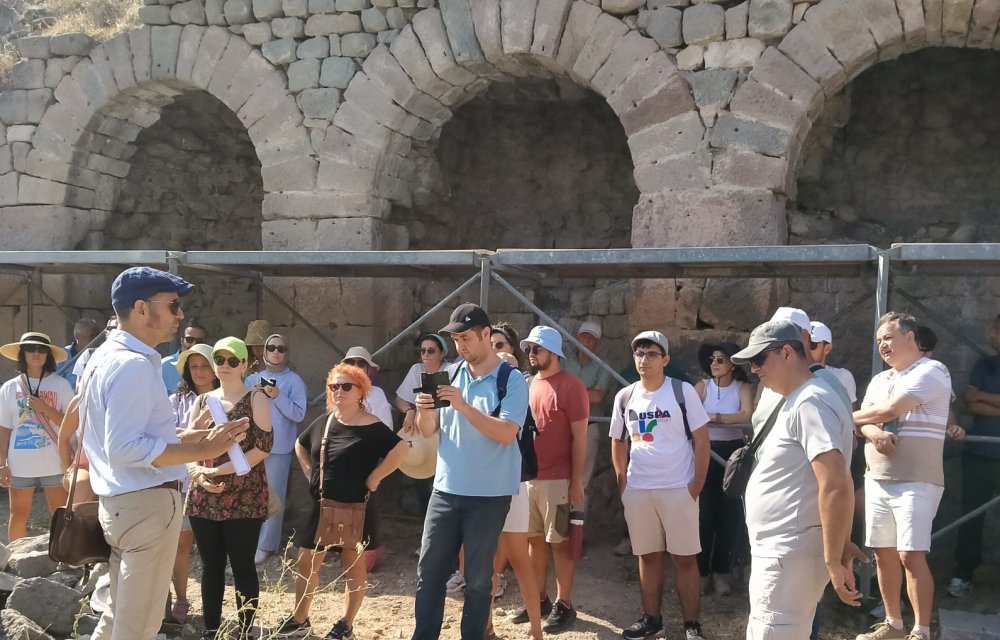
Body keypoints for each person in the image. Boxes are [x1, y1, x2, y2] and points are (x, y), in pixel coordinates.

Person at [81, 266, 250, 640]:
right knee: (138, 627)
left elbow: (123, 435)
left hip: (124, 503)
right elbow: (124, 446)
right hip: (144, 505)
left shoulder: (105, 357)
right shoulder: (132, 364)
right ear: (141, 308)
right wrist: (204, 448)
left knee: (119, 618)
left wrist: (189, 436)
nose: (180, 314)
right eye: (173, 305)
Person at [731, 320, 860, 640]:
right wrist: (840, 543)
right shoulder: (807, 397)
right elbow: (840, 477)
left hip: (788, 553)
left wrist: (833, 557)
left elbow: (835, 483)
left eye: (759, 360)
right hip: (787, 552)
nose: (754, 369)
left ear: (787, 352)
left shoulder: (810, 402)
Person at [411, 303, 527, 640]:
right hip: (445, 489)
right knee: (429, 574)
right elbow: (429, 430)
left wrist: (462, 406)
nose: (460, 346)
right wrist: (424, 411)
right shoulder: (450, 374)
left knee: (478, 580)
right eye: (456, 340)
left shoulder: (511, 380)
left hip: (489, 496)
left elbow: (507, 433)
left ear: (486, 334)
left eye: (466, 338)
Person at [276, 363, 407, 640]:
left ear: (361, 391)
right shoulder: (325, 422)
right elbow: (300, 445)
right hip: (323, 506)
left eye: (347, 386)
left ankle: (346, 625)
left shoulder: (373, 426)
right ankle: (300, 620)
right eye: (334, 386)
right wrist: (311, 475)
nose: (339, 391)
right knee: (306, 562)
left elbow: (400, 449)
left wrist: (375, 477)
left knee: (353, 565)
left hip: (357, 507)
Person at [854, 312, 952, 640]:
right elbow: (867, 422)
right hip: (878, 477)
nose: (882, 345)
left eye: (888, 337)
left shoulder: (932, 370)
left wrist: (842, 415)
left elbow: (888, 411)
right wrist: (875, 434)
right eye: (879, 340)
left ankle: (921, 631)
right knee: (883, 552)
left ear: (909, 337)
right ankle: (894, 624)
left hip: (917, 478)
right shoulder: (880, 379)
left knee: (911, 554)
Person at [610, 331, 711, 640]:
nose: (644, 360)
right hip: (639, 489)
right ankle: (651, 620)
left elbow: (702, 438)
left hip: (678, 487)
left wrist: (696, 484)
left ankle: (692, 625)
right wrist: (623, 484)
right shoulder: (625, 396)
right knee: (648, 556)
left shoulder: (682, 391)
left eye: (652, 354)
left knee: (684, 559)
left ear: (665, 359)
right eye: (639, 354)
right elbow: (618, 440)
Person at [185, 337, 273, 640]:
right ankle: (211, 630)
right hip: (204, 494)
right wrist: (197, 474)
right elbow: (188, 446)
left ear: (244, 364)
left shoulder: (257, 398)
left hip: (244, 495)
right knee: (210, 566)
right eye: (219, 360)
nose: (225, 365)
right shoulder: (202, 401)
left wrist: (216, 471)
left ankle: (246, 632)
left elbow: (263, 448)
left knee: (242, 566)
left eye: (232, 360)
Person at [514, 325, 589, 632]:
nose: (531, 354)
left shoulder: (572, 386)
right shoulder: (528, 383)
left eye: (537, 349)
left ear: (554, 353)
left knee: (559, 543)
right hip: (529, 477)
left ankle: (564, 603)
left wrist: (576, 480)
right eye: (528, 349)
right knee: (533, 541)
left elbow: (580, 437)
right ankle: (539, 598)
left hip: (558, 478)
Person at [0, 332, 74, 540]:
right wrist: (1, 463)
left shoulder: (61, 385)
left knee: (60, 514)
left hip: (55, 460)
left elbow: (72, 423)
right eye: (30, 349)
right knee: (18, 514)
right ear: (22, 354)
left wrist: (46, 410)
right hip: (19, 462)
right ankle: (16, 555)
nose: (36, 353)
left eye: (41, 350)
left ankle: (61, 553)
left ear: (48, 355)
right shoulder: (9, 387)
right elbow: (4, 429)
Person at [693, 342, 753, 597]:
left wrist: (713, 417)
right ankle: (701, 573)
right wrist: (726, 419)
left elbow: (746, 415)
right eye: (712, 359)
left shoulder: (743, 388)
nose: (714, 364)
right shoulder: (702, 386)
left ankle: (720, 571)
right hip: (707, 450)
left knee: (730, 514)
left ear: (732, 365)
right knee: (704, 515)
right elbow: (692, 415)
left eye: (720, 359)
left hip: (734, 454)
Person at [166, 343, 219, 625]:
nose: (199, 372)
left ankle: (213, 611)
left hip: (219, 478)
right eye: (194, 367)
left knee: (211, 549)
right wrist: (195, 432)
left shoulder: (228, 398)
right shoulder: (175, 400)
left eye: (205, 366)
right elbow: (168, 434)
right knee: (180, 543)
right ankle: (180, 599)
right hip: (182, 481)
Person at [948, 314, 1000, 597]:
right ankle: (963, 572)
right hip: (979, 454)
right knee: (970, 516)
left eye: (997, 330)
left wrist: (984, 398)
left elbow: (978, 400)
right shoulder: (985, 364)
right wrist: (980, 400)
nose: (991, 335)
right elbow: (969, 402)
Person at [246, 333, 308, 565]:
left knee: (274, 496)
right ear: (264, 351)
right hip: (252, 446)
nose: (276, 352)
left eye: (281, 349)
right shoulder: (252, 379)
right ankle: (249, 540)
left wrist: (277, 396)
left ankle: (266, 545)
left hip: (278, 448)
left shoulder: (294, 381)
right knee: (250, 494)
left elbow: (299, 414)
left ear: (287, 353)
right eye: (271, 347)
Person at [342, 345, 393, 569]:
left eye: (361, 363)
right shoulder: (338, 390)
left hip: (368, 459)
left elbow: (386, 428)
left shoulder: (377, 394)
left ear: (369, 368)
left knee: (368, 505)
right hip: (344, 457)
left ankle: (371, 550)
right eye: (351, 362)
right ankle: (348, 549)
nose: (356, 366)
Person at [562, 321, 615, 507]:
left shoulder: (602, 365)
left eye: (591, 338)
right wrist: (585, 393)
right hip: (563, 424)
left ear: (597, 343)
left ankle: (577, 522)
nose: (586, 340)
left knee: (581, 482)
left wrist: (568, 393)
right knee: (558, 480)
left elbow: (598, 396)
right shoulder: (564, 361)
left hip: (588, 424)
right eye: (583, 336)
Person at [161, 321, 208, 394]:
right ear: (181, 340)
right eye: (189, 339)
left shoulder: (210, 367)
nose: (194, 344)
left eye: (199, 340)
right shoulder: (163, 366)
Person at [58, 318, 100, 389]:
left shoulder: (101, 355)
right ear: (78, 337)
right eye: (92, 336)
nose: (96, 339)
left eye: (98, 335)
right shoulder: (62, 356)